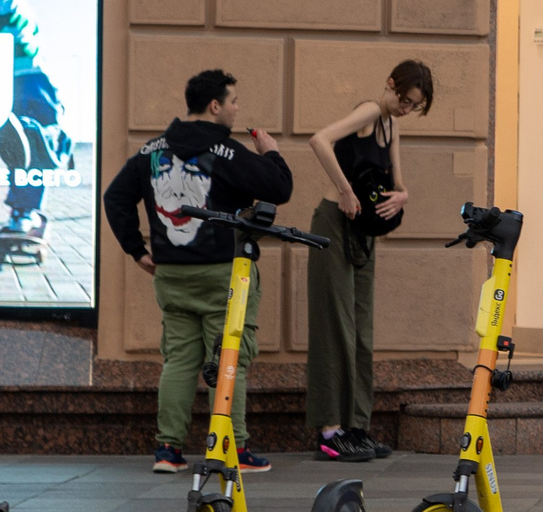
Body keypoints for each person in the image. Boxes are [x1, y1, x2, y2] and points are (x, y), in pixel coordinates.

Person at [104, 68, 296, 474]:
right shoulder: (226, 151)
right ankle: (232, 449)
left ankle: (168, 451)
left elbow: (115, 197)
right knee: (229, 359)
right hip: (222, 274)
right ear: (215, 106)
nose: (236, 109)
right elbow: (280, 188)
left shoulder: (150, 151)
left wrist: (137, 251)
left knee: (178, 360)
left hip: (171, 275)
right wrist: (271, 151)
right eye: (233, 102)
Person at [304, 59, 434, 463]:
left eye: (414, 106)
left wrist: (403, 196)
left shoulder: (391, 126)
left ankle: (356, 425)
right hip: (333, 225)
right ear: (391, 85)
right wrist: (344, 189)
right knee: (335, 328)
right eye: (405, 100)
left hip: (363, 234)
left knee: (362, 332)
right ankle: (330, 428)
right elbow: (319, 140)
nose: (406, 109)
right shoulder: (369, 111)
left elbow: (398, 183)